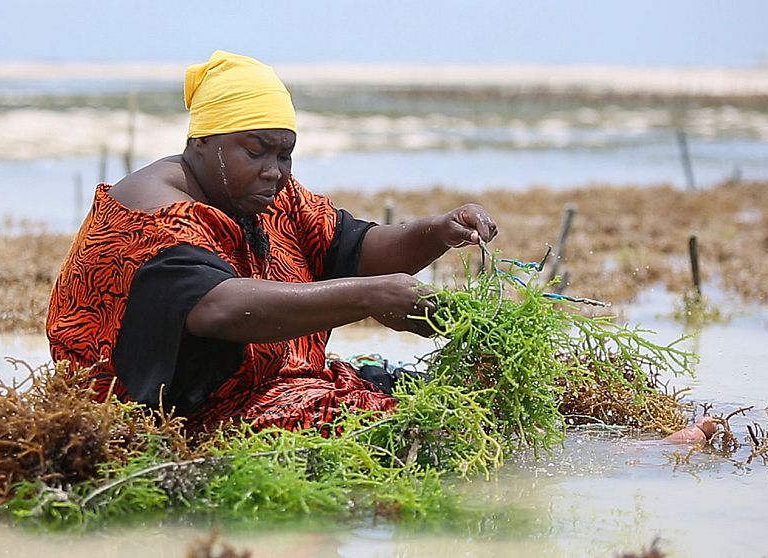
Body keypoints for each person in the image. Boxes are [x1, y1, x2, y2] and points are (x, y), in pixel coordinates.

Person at [46, 51, 497, 431]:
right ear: (202, 141)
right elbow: (217, 308)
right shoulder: (152, 211)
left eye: (285, 154)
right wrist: (370, 297)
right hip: (175, 419)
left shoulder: (266, 195)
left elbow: (356, 250)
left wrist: (439, 230)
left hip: (271, 390)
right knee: (405, 428)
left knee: (463, 403)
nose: (274, 170)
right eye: (255, 150)